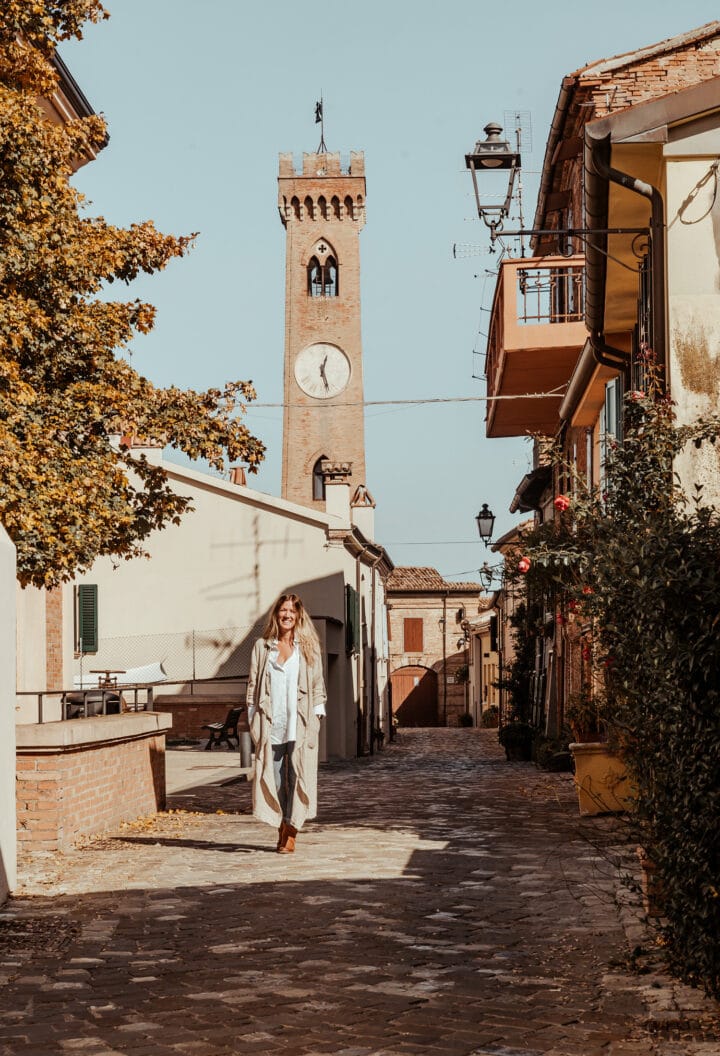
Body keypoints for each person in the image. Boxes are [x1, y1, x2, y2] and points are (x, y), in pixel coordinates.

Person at [246, 593, 326, 853]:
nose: (287, 615)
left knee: (298, 776)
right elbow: (253, 685)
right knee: (275, 780)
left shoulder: (308, 647)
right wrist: (252, 717)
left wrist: (317, 717)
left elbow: (318, 685)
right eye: (283, 610)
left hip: (300, 724)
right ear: (276, 614)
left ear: (298, 615)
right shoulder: (262, 647)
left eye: (292, 611)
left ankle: (291, 830)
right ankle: (282, 823)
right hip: (271, 725)